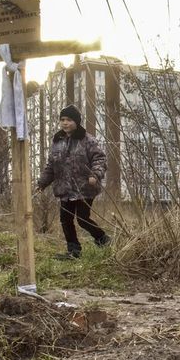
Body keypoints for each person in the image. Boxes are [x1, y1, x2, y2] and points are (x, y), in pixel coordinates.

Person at [36, 104, 110, 259]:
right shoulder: (57, 141)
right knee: (65, 219)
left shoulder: (88, 140)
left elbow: (100, 158)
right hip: (65, 189)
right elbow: (52, 166)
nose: (65, 123)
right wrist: (42, 183)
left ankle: (103, 240)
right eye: (62, 120)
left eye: (69, 120)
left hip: (84, 188)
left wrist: (95, 174)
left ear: (76, 121)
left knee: (82, 219)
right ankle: (73, 250)